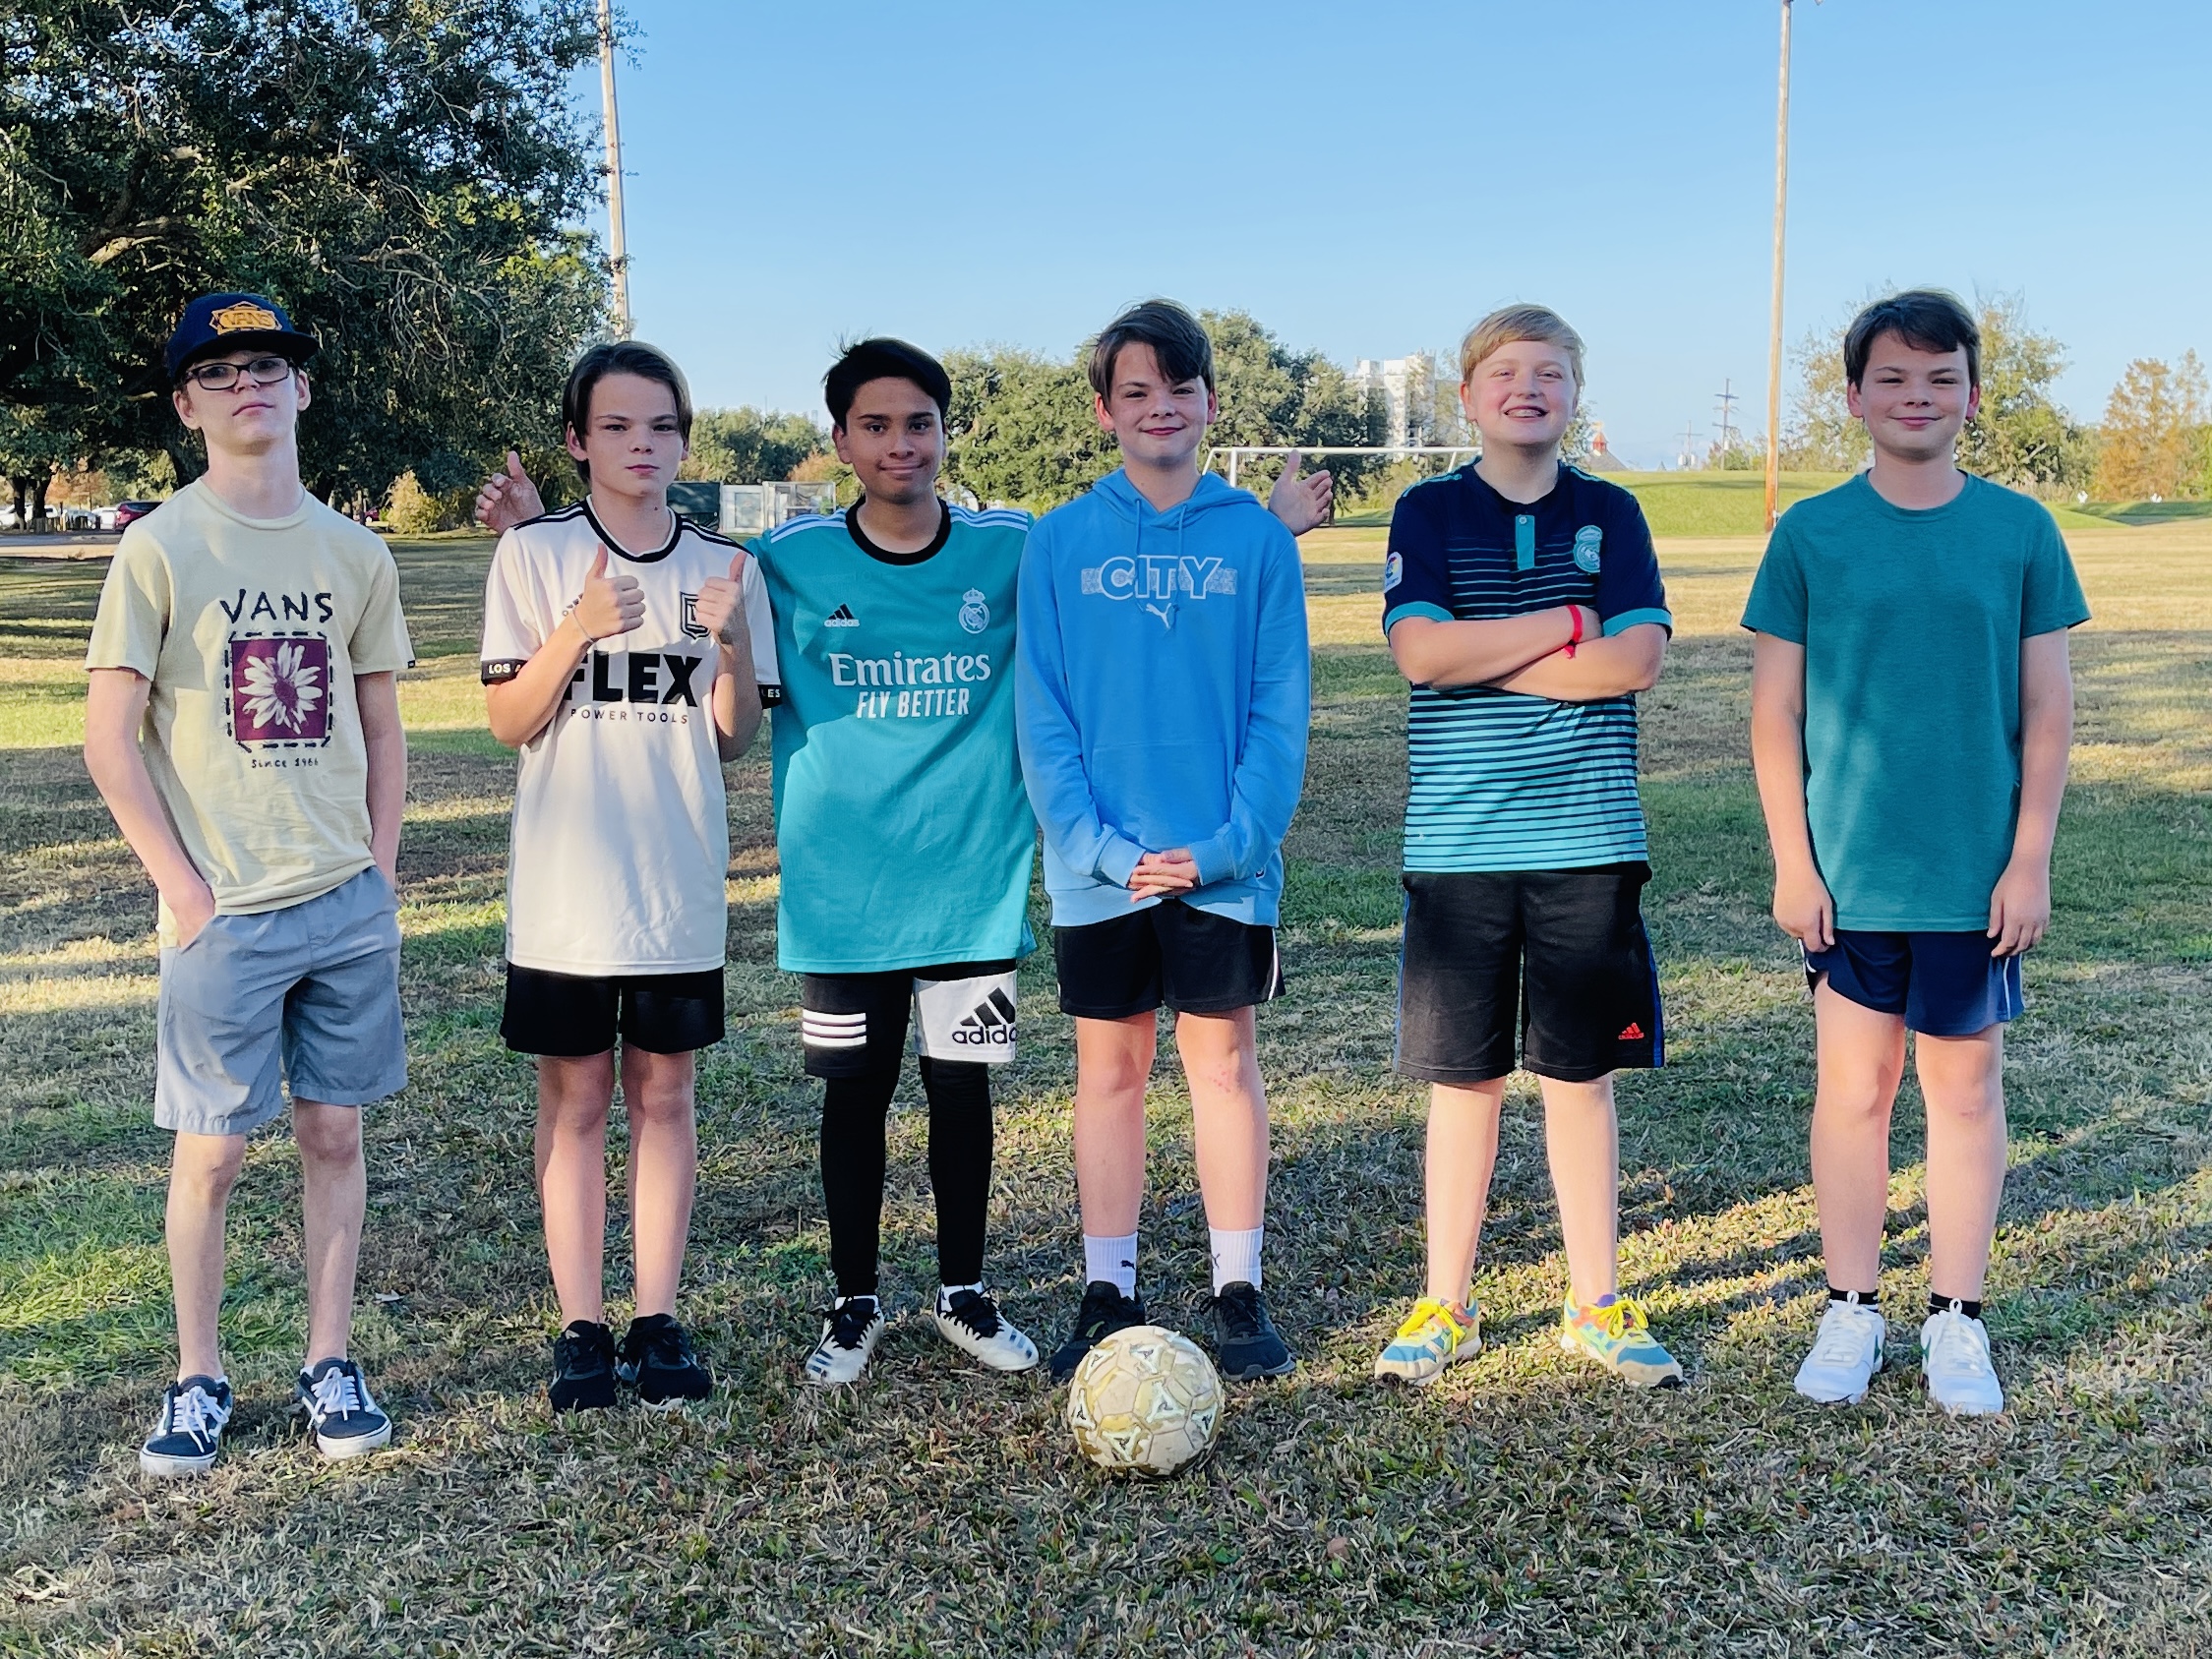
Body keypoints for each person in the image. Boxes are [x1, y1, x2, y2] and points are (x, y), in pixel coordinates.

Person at [85, 292, 413, 1474]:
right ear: (186, 407)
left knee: (333, 1131)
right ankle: (199, 1375)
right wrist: (182, 890)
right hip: (223, 908)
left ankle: (329, 1361)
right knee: (211, 1154)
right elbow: (109, 739)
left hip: (343, 901)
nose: (248, 386)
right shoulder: (160, 546)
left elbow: (383, 724)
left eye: (267, 366)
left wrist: (380, 867)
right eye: (219, 373)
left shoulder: (355, 551)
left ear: (302, 389)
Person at [1745, 290, 2087, 1416]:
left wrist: (2027, 858)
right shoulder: (1809, 534)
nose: (1915, 397)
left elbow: (2045, 710)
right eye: (1891, 378)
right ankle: (1850, 1305)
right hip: (1848, 874)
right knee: (1853, 1089)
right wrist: (1793, 862)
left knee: (1963, 1087)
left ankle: (1955, 1315)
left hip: (1969, 875)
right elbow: (1773, 713)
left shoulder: (2019, 531)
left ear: (1971, 397)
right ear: (1853, 397)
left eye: (1939, 379)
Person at [1372, 304, 1682, 1391]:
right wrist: (1565, 622)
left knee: (1577, 1075)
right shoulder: (1428, 508)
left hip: (1585, 839)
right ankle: (1443, 1304)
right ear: (1467, 396)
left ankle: (1593, 1301)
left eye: (1549, 372)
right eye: (1504, 372)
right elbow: (1420, 654)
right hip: (1459, 844)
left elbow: (1635, 661)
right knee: (1463, 1083)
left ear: (1573, 394)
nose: (1527, 388)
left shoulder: (1611, 511)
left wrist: (1483, 651)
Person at [1017, 299, 1311, 1383]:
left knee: (1222, 1064)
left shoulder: (1255, 540)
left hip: (1219, 868)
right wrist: (1097, 848)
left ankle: (1237, 1285)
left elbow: (1278, 711)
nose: (1159, 408)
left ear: (1209, 403)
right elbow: (1043, 715)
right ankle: (1109, 1286)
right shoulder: (1058, 540)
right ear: (1103, 411)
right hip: (1102, 871)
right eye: (1135, 391)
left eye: (1178, 389)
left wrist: (1229, 844)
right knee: (1110, 1069)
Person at [478, 339, 772, 1409]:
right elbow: (510, 719)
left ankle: (655, 1316)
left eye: (661, 426)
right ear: (577, 440)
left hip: (675, 885)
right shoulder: (535, 554)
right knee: (574, 1100)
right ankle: (580, 1326)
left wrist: (733, 648)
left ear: (684, 441)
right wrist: (576, 630)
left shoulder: (726, 566)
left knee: (665, 1094)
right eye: (616, 426)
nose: (641, 445)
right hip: (567, 894)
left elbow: (732, 737)